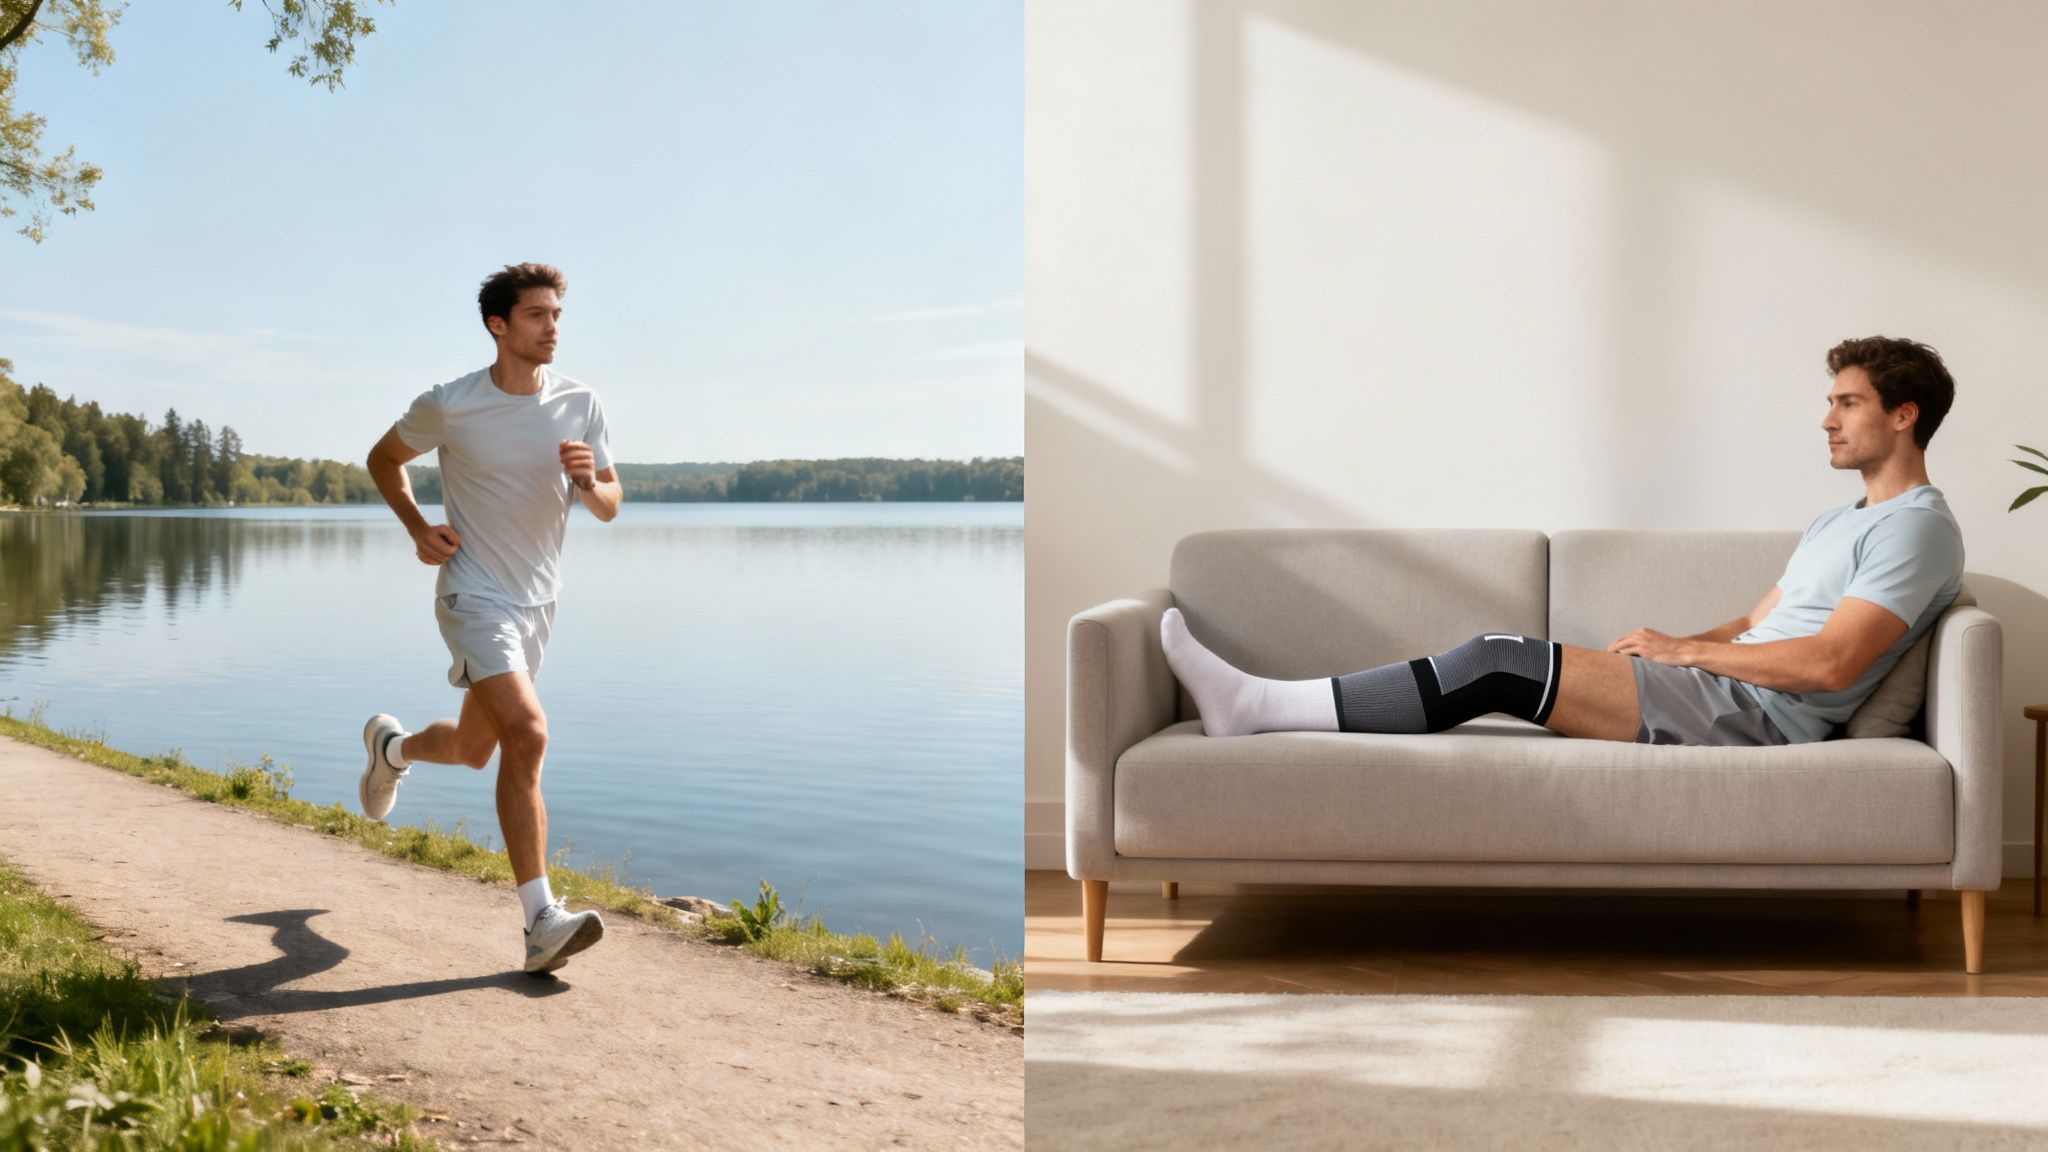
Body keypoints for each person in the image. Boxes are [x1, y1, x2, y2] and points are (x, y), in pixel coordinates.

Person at [1162, 335, 1963, 748]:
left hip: (1762, 714)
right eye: (1830, 401)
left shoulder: (1917, 529)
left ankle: (1256, 705)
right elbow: (1758, 621)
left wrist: (1685, 654)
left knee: (1498, 663)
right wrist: (1676, 650)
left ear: (1904, 415)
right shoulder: (1840, 520)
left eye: (1848, 403)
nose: (1826, 419)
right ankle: (1258, 705)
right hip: (1728, 686)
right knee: (1500, 664)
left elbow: (1830, 663)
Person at [358, 262, 621, 975]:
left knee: (477, 747)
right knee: (528, 735)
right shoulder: (451, 404)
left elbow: (609, 503)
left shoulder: (581, 402)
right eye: (537, 315)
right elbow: (384, 458)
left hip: (539, 601)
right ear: (497, 326)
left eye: (557, 314)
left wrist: (588, 481)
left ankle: (392, 751)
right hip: (472, 595)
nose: (552, 327)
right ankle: (540, 920)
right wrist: (418, 527)